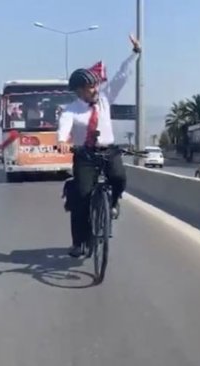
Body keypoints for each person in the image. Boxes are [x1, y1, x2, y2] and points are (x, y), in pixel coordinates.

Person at [57, 34, 141, 258]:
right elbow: (63, 130)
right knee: (81, 198)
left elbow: (121, 76)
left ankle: (113, 203)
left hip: (108, 150)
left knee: (120, 178)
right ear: (78, 91)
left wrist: (134, 53)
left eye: (94, 85)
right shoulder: (71, 110)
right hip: (84, 155)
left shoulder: (104, 99)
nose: (94, 90)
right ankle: (78, 242)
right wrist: (63, 143)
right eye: (88, 88)